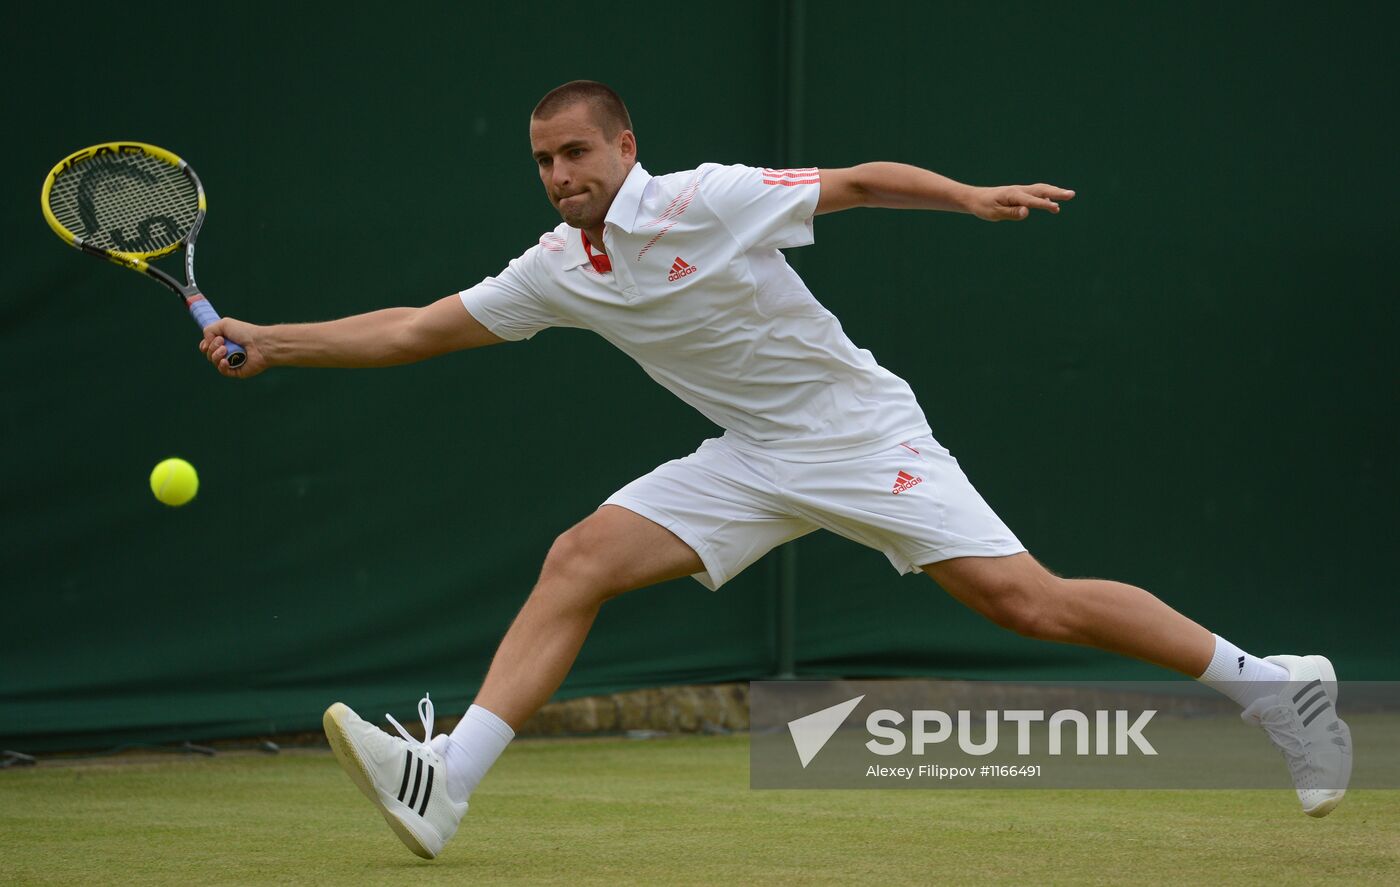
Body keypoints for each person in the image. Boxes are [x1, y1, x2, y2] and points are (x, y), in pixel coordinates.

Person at [200, 81, 1352, 859]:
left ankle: (1274, 685)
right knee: (579, 557)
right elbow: (413, 328)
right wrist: (272, 339)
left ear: (623, 148)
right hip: (750, 457)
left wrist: (962, 195)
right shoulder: (559, 266)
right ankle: (447, 778)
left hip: (858, 435)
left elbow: (851, 182)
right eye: (543, 161)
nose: (558, 174)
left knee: (1030, 602)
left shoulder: (708, 197)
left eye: (576, 153)